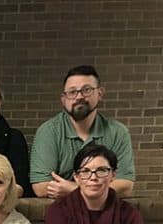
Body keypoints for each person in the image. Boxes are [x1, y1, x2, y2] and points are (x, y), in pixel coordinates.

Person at [30, 65, 135, 200]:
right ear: (63, 99)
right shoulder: (48, 131)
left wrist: (73, 190)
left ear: (100, 93)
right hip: (61, 209)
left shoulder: (118, 132)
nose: (79, 97)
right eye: (72, 92)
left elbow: (125, 186)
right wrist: (101, 189)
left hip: (105, 209)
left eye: (86, 90)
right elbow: (41, 187)